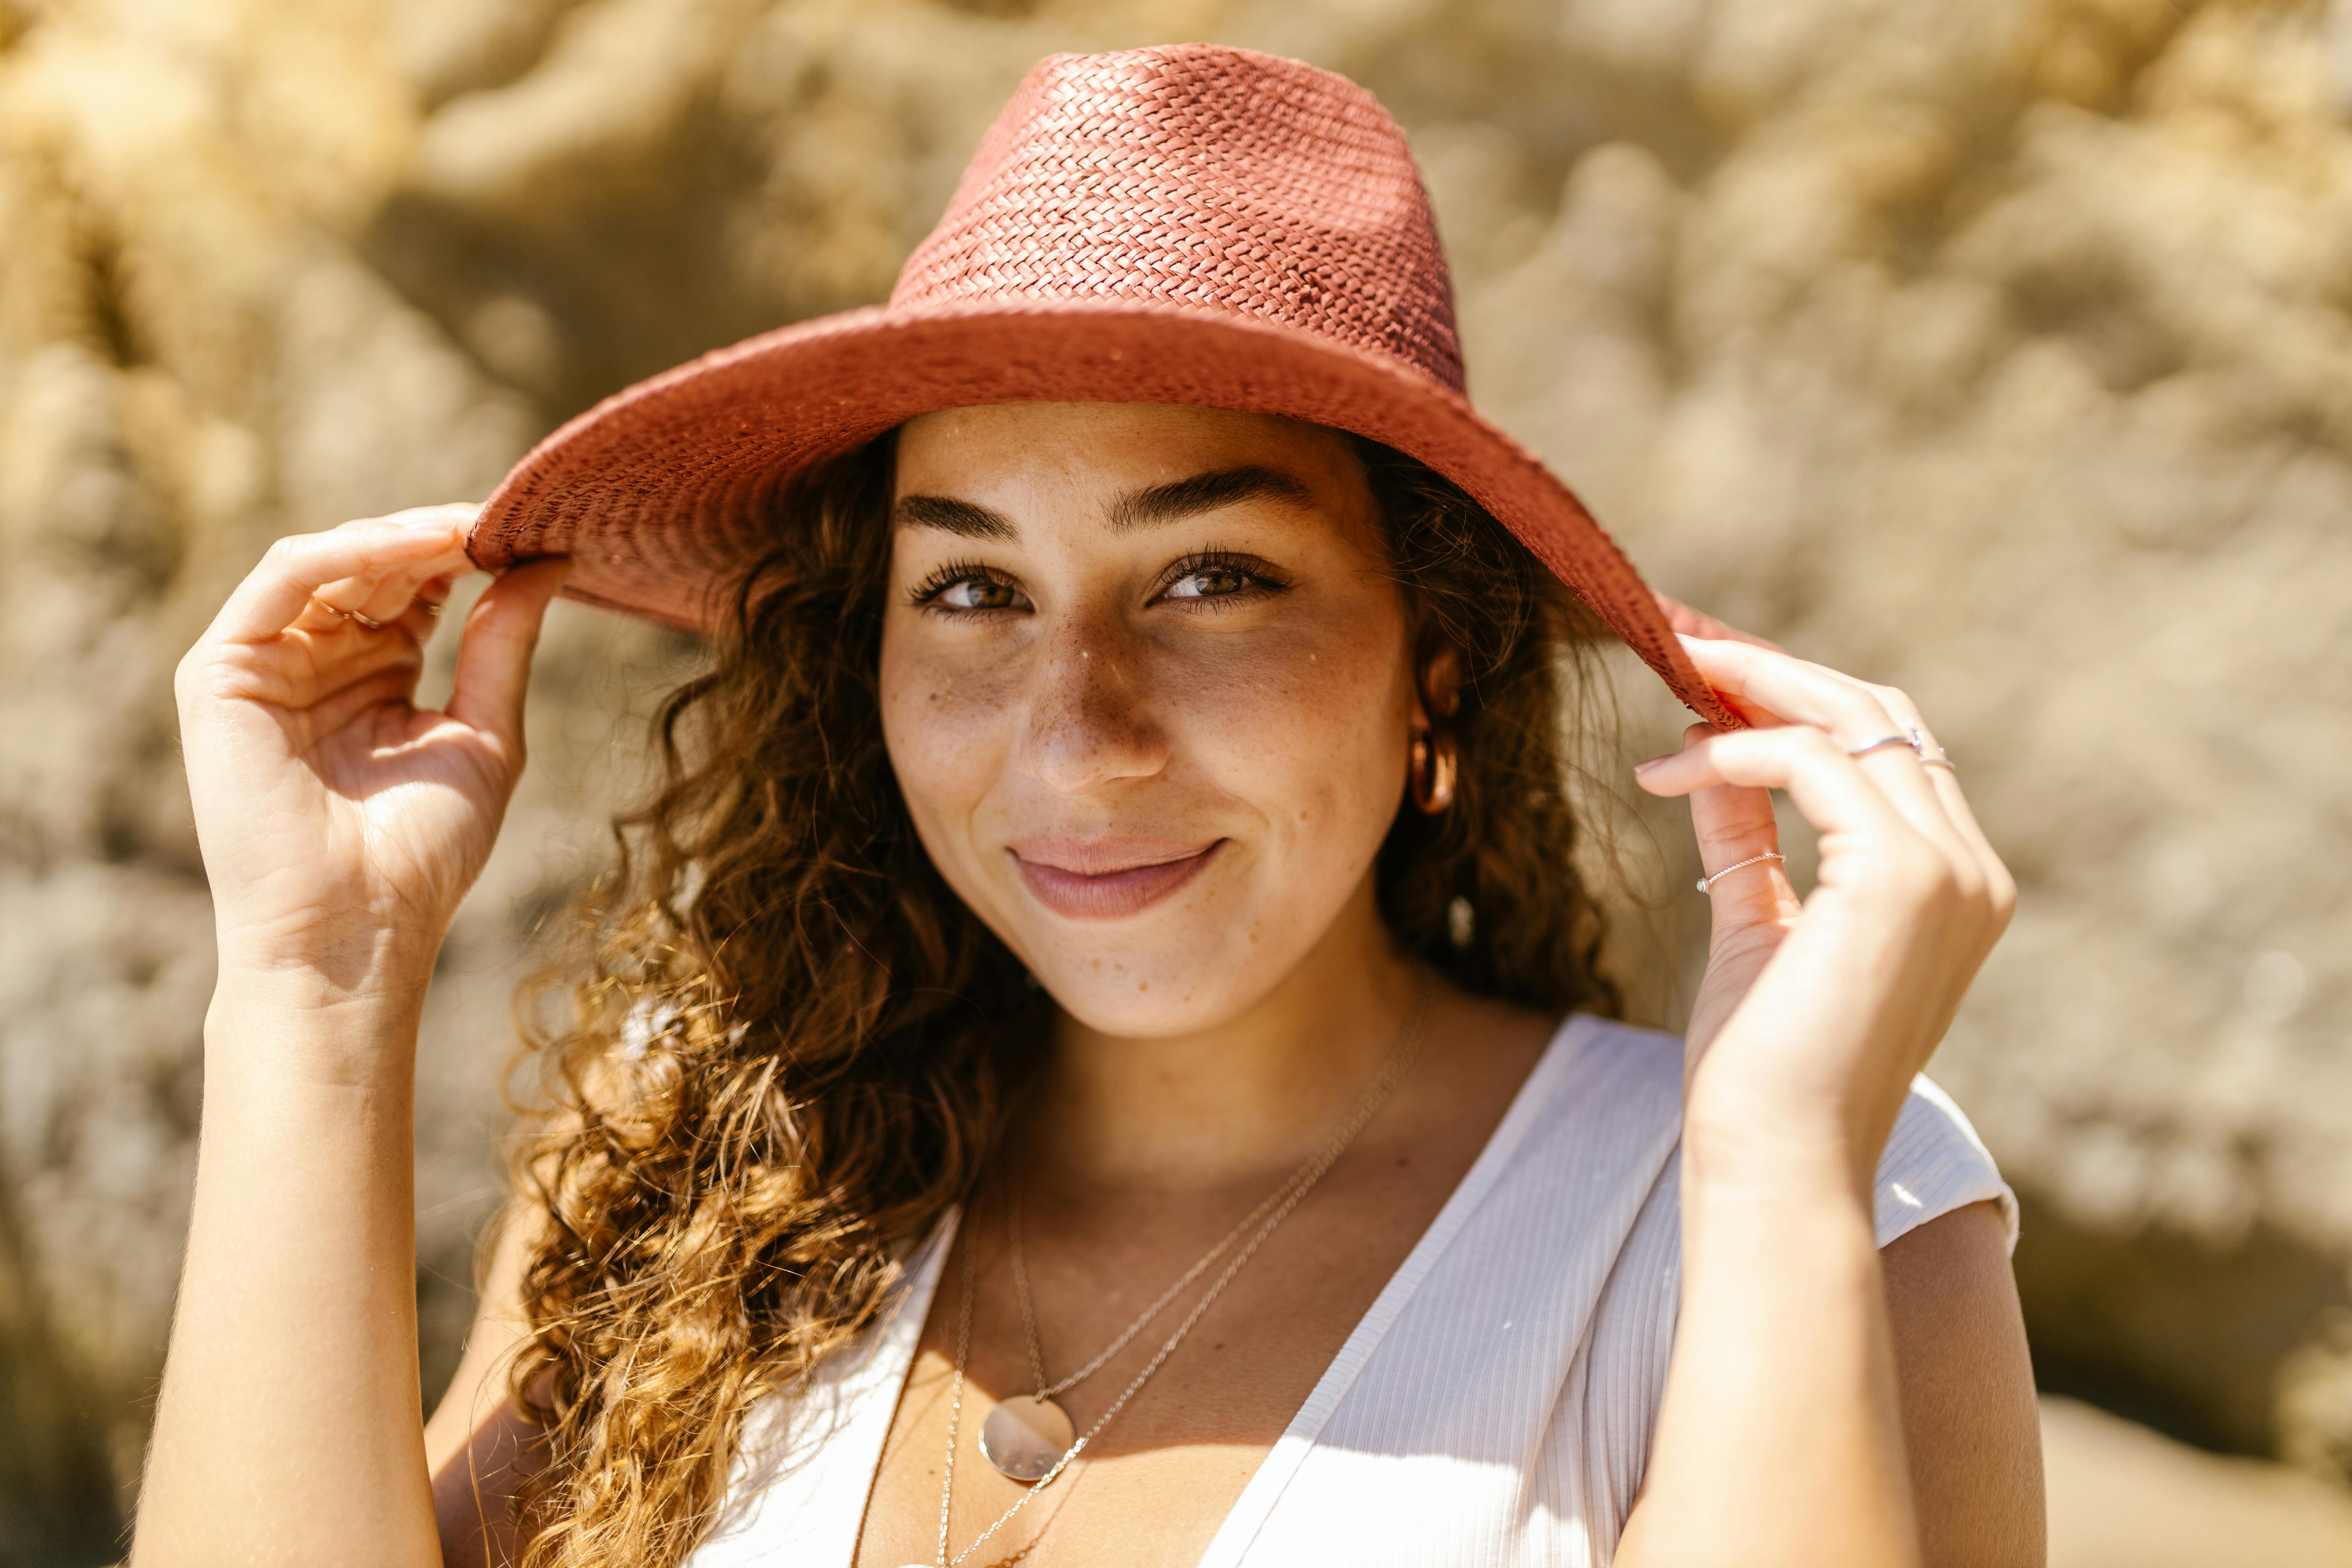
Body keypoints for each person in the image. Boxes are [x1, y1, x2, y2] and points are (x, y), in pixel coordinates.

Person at [138, 43, 2040, 1568]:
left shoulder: (1811, 1207)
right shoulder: (709, 1162)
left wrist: (1784, 1164)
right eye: (970, 590)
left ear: (1437, 661)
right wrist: (315, 986)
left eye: (1212, 580)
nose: (1078, 734)